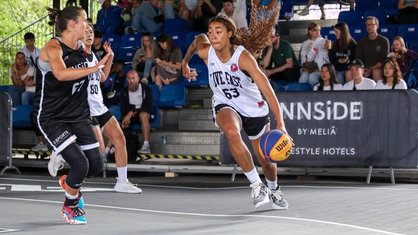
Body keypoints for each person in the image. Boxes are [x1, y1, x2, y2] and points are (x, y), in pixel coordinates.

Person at [182, 14, 290, 210]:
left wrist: (280, 124)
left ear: (230, 34)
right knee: (231, 131)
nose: (213, 35)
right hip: (225, 104)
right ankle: (257, 185)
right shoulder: (207, 51)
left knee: (266, 161)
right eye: (211, 31)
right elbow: (198, 39)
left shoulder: (243, 57)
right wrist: (184, 63)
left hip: (253, 108)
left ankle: (274, 189)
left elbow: (267, 90)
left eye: (218, 31)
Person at [34, 6, 110, 224]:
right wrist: (93, 68)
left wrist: (101, 64)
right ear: (72, 24)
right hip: (52, 117)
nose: (87, 25)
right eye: (84, 20)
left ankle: (69, 182)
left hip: (77, 116)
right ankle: (70, 205)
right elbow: (60, 73)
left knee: (96, 165)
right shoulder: (52, 47)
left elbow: (97, 76)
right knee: (80, 164)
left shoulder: (81, 48)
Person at [82, 22, 142, 193]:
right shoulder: (76, 56)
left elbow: (103, 77)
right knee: (99, 151)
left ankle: (122, 182)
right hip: (84, 109)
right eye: (86, 31)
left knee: (120, 139)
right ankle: (60, 151)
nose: (90, 34)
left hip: (98, 106)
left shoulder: (93, 56)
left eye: (91, 31)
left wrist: (110, 56)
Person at [120, 70, 153, 154]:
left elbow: (148, 107)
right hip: (130, 116)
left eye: (133, 78)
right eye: (129, 79)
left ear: (138, 79)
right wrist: (126, 117)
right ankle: (106, 151)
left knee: (143, 115)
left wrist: (133, 111)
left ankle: (146, 145)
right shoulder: (124, 91)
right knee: (116, 124)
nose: (131, 81)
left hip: (142, 114)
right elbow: (123, 109)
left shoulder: (146, 89)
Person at [356, 16, 389, 82]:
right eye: (367, 25)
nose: (369, 27)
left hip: (378, 68)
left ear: (377, 26)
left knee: (376, 72)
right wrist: (364, 69)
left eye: (371, 24)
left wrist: (370, 69)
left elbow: (382, 61)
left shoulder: (384, 41)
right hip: (364, 68)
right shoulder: (361, 42)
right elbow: (359, 59)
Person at [299, 22, 330, 87]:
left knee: (312, 77)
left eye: (319, 30)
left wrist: (327, 49)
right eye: (315, 30)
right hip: (307, 68)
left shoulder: (324, 42)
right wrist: (310, 50)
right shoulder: (305, 43)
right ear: (310, 31)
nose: (318, 32)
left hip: (321, 69)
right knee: (303, 77)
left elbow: (327, 60)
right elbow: (304, 60)